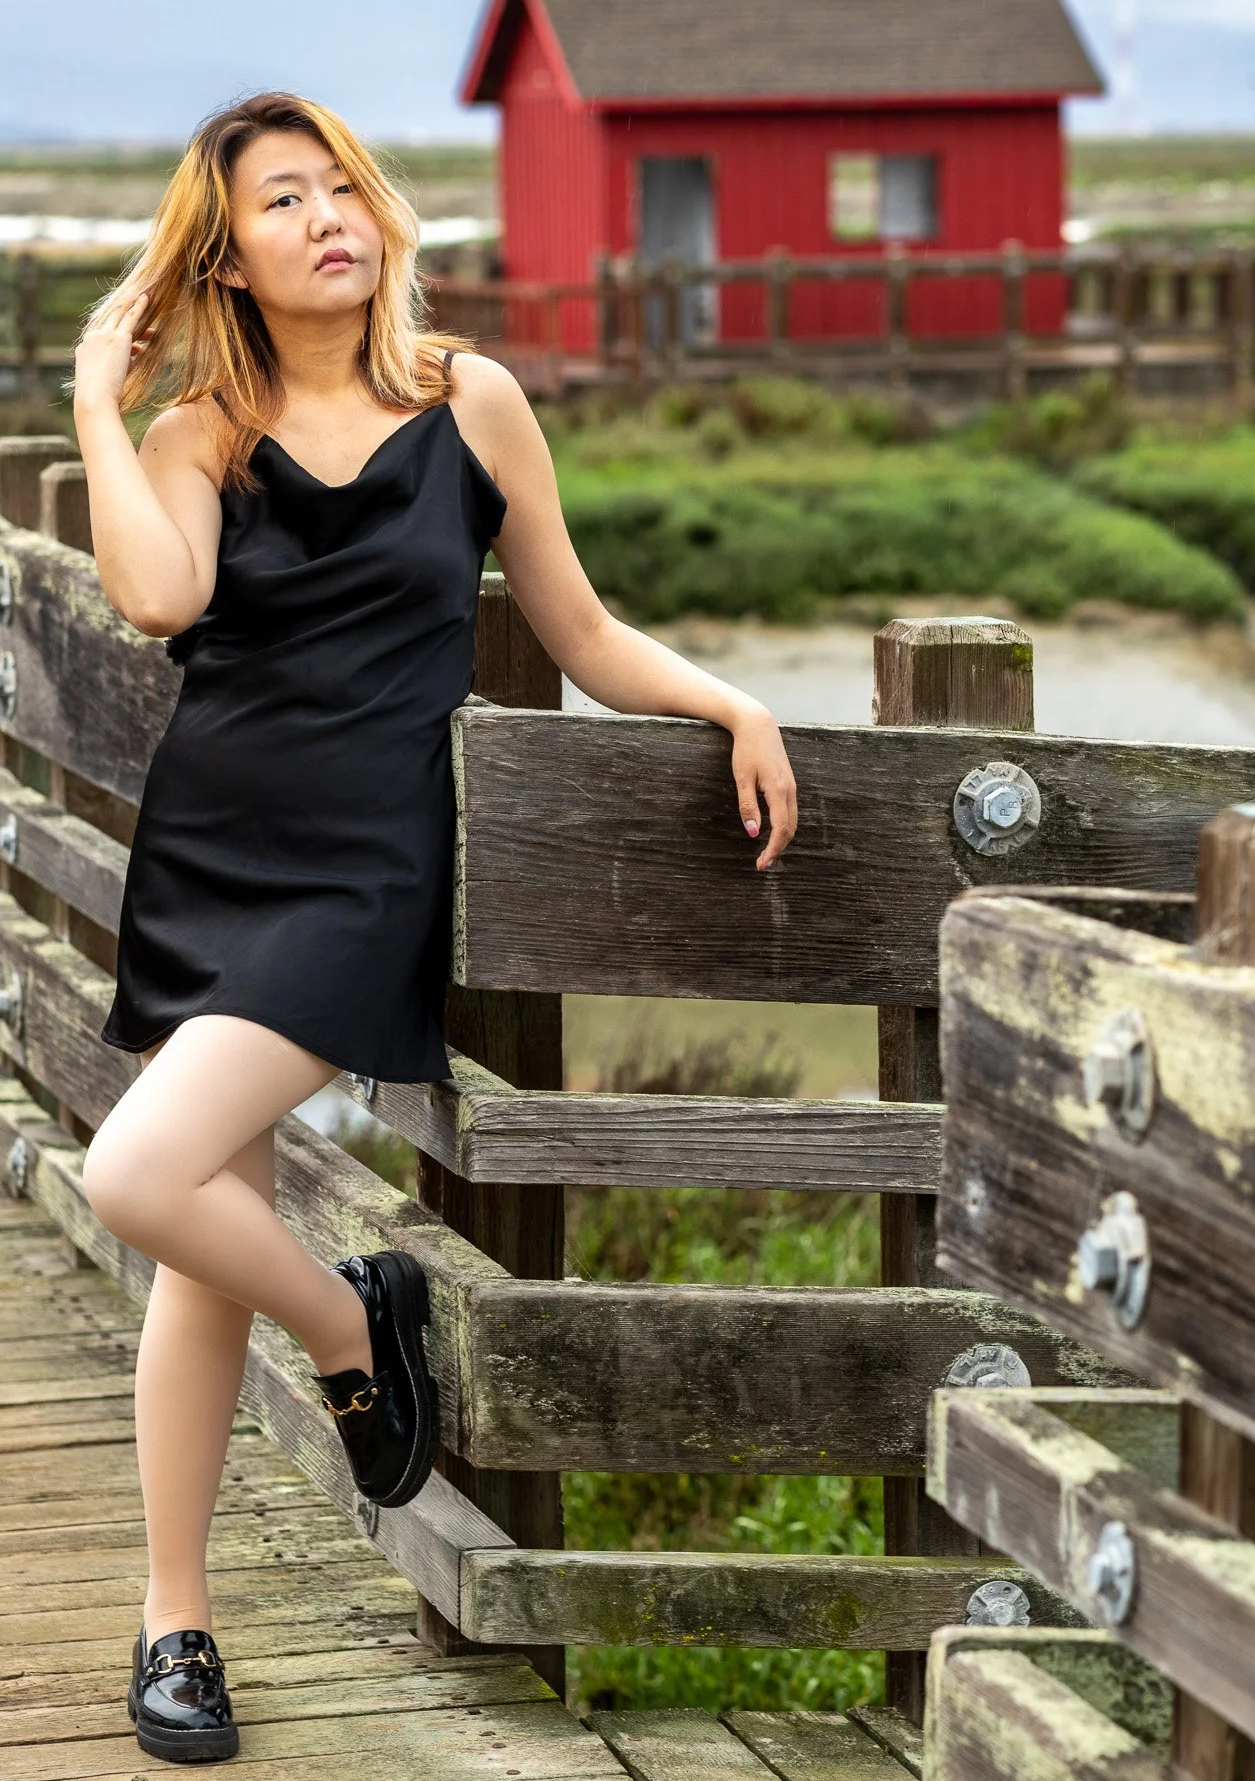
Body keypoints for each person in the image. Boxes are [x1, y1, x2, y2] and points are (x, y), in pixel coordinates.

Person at [69, 91, 798, 1763]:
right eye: (282, 202)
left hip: (359, 875)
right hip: (211, 856)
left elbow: (582, 626)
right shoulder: (199, 435)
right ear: (228, 257)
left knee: (137, 1176)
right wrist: (103, 414)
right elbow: (160, 600)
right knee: (195, 1224)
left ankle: (351, 1325)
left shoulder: (470, 399)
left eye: (344, 189)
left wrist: (730, 701)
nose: (330, 218)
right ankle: (179, 1619)